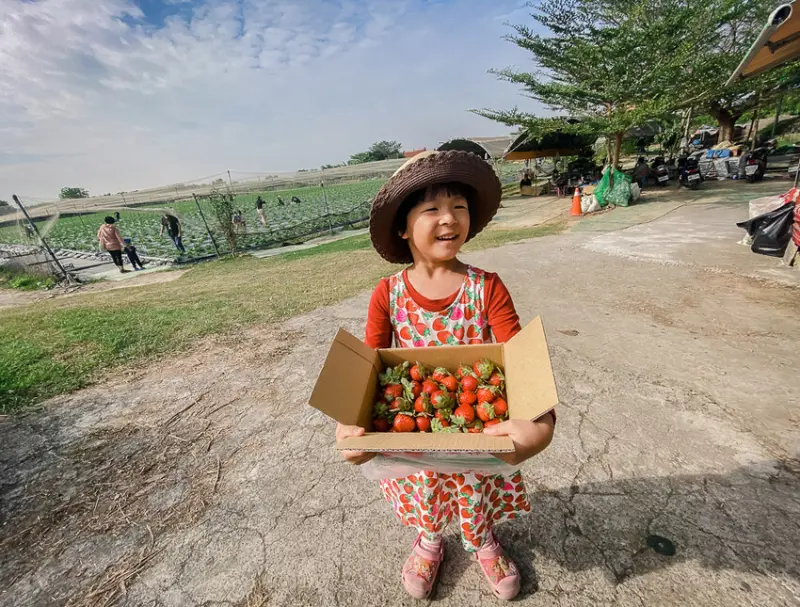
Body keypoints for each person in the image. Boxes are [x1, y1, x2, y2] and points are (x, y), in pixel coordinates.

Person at [336, 151, 556, 600]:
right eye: (431, 209)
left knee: (476, 491)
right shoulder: (387, 294)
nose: (449, 218)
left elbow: (521, 360)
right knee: (425, 491)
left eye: (459, 206)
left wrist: (542, 424)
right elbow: (368, 367)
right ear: (403, 228)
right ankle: (430, 540)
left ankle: (483, 540)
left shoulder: (486, 287)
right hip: (415, 434)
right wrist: (350, 425)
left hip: (476, 430)